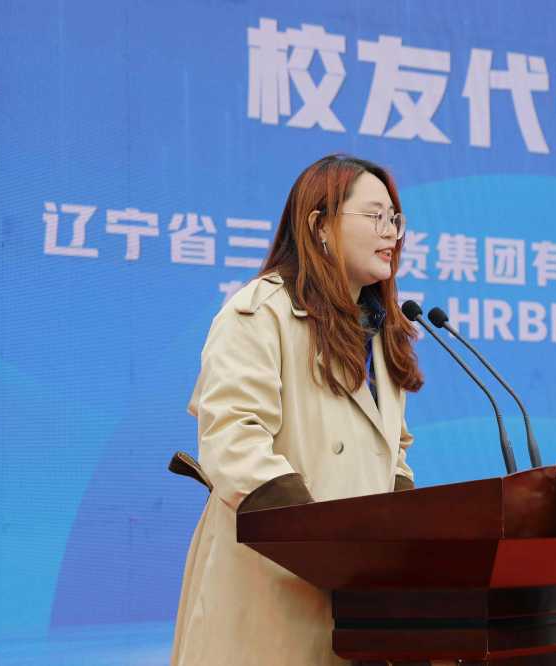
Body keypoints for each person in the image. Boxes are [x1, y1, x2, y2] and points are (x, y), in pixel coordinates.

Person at [171, 154, 423, 666]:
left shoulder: (380, 332)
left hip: (355, 604)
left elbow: (391, 455)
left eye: (395, 218)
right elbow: (235, 439)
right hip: (273, 590)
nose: (390, 232)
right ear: (319, 225)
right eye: (374, 215)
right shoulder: (260, 311)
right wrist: (324, 545)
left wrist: (404, 545)